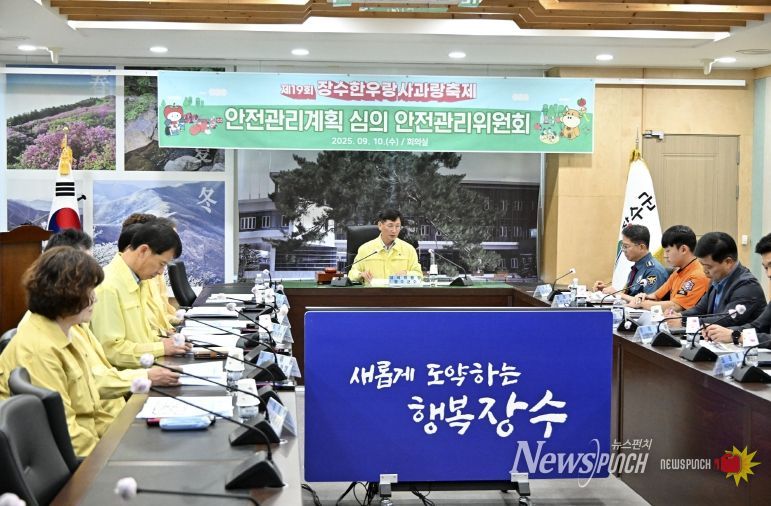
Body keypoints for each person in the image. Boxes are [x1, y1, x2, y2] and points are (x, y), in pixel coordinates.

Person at [43, 229, 180, 417]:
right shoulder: (46, 338)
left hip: (119, 404)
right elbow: (98, 374)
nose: (94, 296)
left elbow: (98, 375)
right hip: (113, 414)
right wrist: (149, 370)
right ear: (63, 278)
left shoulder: (72, 324)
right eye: (85, 278)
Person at [0, 247, 113, 456]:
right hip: (77, 465)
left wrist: (124, 443)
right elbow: (67, 436)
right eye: (89, 291)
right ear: (67, 291)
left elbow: (94, 413)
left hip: (90, 449)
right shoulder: (38, 350)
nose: (95, 299)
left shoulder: (68, 332)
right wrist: (112, 460)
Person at [90, 222, 191, 368]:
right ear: (143, 251)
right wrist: (162, 348)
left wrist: (164, 341)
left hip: (148, 369)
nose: (161, 272)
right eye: (161, 263)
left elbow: (141, 337)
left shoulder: (138, 281)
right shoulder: (107, 286)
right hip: (131, 383)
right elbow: (112, 351)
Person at [672, 232, 765, 326]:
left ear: (728, 262)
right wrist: (679, 316)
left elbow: (727, 319)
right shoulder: (717, 278)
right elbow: (700, 309)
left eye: (708, 266)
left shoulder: (747, 286)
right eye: (701, 265)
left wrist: (684, 322)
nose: (704, 271)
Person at [705, 232, 771, 346]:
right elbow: (757, 326)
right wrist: (726, 333)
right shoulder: (715, 280)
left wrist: (736, 336)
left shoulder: (748, 284)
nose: (769, 274)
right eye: (766, 268)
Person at [628, 225, 708, 311]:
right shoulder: (678, 272)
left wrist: (642, 303)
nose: (665, 256)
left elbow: (676, 306)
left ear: (683, 250)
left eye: (668, 251)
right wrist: (644, 297)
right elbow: (656, 296)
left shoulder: (698, 275)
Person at [593, 224, 668, 298]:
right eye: (622, 246)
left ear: (641, 247)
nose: (623, 250)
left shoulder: (653, 271)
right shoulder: (637, 267)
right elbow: (629, 295)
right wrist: (607, 290)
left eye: (626, 246)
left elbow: (648, 303)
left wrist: (617, 294)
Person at [348, 209, 423, 283]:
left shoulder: (409, 249)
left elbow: (419, 276)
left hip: (399, 293)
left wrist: (407, 274)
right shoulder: (365, 249)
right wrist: (361, 274)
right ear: (380, 225)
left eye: (397, 226)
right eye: (390, 226)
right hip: (372, 293)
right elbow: (351, 274)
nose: (394, 230)